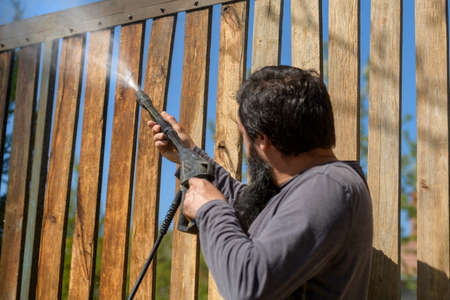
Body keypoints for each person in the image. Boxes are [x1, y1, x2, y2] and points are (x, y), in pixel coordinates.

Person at [148, 66, 373, 300]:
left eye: (243, 135)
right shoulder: (309, 186)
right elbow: (251, 208)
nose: (245, 146)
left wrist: (209, 209)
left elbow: (249, 286)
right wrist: (189, 154)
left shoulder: (328, 187)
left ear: (262, 140)